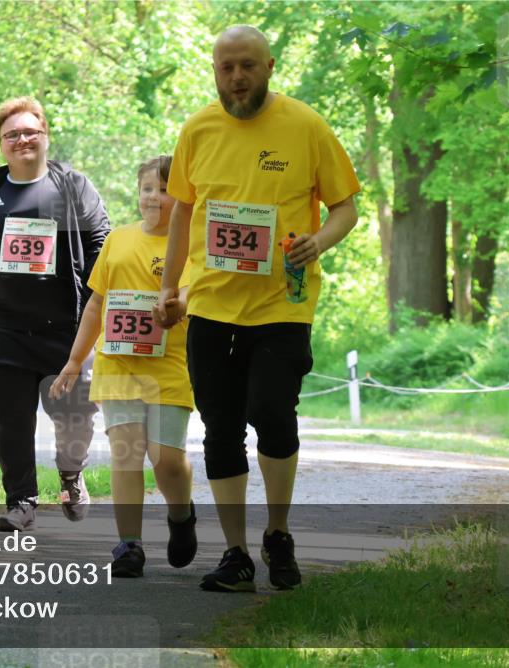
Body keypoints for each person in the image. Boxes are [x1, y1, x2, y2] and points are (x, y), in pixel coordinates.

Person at [155, 26, 359, 592]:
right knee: (220, 429)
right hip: (211, 303)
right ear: (214, 71)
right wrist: (170, 288)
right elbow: (182, 212)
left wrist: (319, 240)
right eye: (227, 68)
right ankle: (236, 554)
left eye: (248, 65)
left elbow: (345, 207)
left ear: (269, 66)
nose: (237, 77)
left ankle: (278, 532)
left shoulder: (306, 125)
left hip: (281, 304)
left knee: (272, 412)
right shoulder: (198, 129)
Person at [0, 96, 110, 531]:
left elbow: (102, 245)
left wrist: (98, 313)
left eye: (29, 132)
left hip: (68, 331)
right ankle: (21, 501)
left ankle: (71, 476)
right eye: (12, 134)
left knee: (75, 419)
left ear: (45, 135)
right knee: (10, 421)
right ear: (1, 143)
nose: (22, 140)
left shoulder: (73, 187)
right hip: (3, 329)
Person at [50, 156, 196, 578]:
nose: (154, 197)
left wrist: (178, 303)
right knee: (127, 454)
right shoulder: (118, 240)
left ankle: (181, 514)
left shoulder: (190, 243)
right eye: (147, 188)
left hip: (169, 365)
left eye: (164, 190)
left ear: (183, 198)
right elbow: (96, 304)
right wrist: (74, 360)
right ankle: (129, 545)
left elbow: (191, 293)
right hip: (118, 364)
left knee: (166, 460)